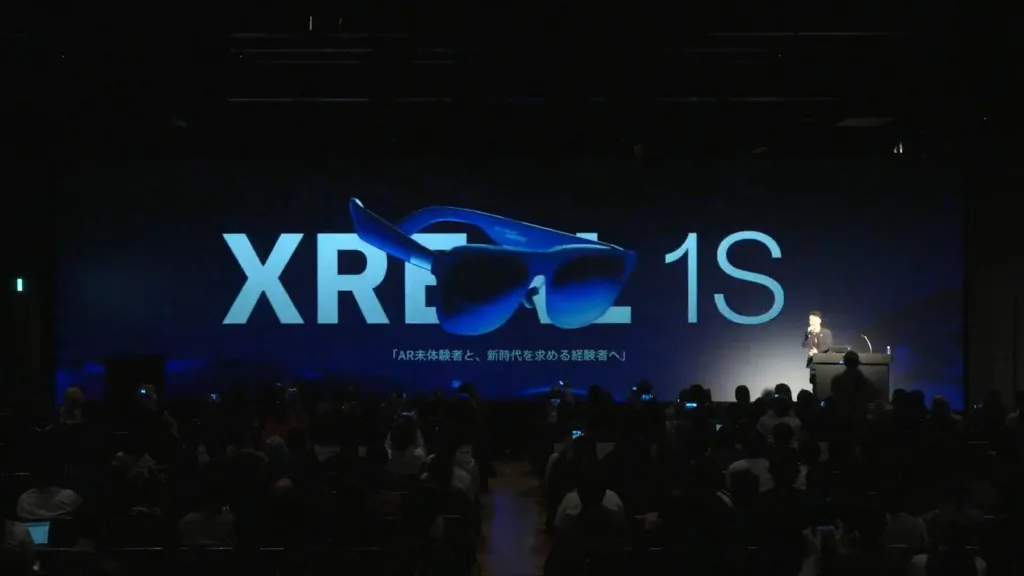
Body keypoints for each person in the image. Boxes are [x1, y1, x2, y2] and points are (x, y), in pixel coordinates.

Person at [830, 351, 880, 426]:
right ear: (857, 363)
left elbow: (834, 397)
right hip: (859, 420)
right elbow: (876, 395)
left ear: (845, 362)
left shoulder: (837, 380)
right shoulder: (865, 382)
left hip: (842, 421)